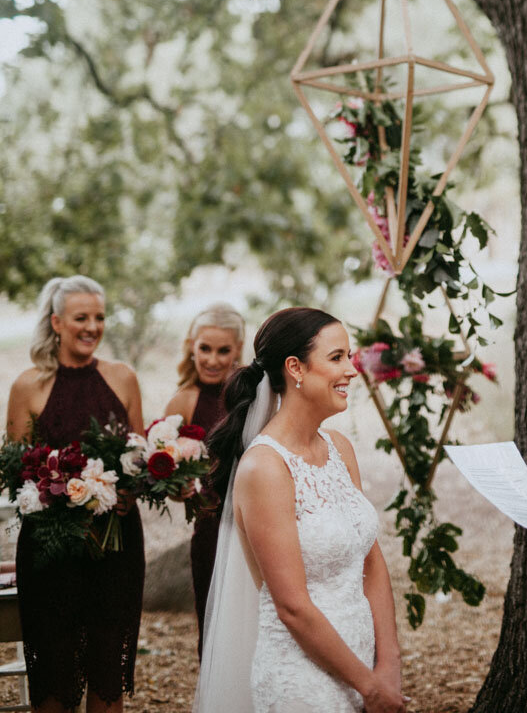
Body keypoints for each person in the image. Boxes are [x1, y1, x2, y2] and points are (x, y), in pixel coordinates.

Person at [193, 306, 405, 713]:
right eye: (337, 357)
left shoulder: (340, 449)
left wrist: (388, 663)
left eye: (349, 356)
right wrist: (370, 687)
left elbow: (372, 562)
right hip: (304, 681)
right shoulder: (264, 468)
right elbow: (291, 606)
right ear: (296, 368)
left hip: (367, 665)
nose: (351, 370)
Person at [6, 275, 146, 713]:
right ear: (57, 323)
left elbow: (139, 457)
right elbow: (17, 471)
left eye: (99, 317)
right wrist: (56, 492)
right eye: (81, 318)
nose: (92, 326)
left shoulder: (123, 377)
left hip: (115, 547)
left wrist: (128, 491)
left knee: (107, 675)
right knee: (54, 673)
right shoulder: (28, 386)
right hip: (51, 552)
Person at [164, 301, 245, 652]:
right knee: (213, 630)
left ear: (238, 351)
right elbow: (161, 473)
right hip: (210, 529)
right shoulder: (182, 402)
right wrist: (178, 488)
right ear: (191, 347)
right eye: (205, 349)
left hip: (254, 526)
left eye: (223, 350)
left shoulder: (253, 397)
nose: (213, 359)